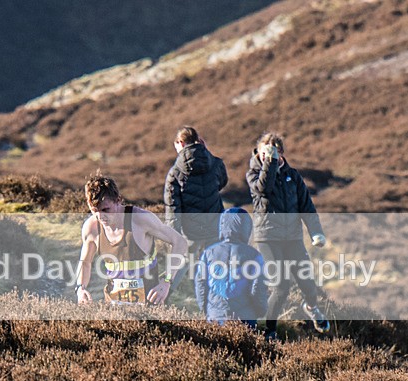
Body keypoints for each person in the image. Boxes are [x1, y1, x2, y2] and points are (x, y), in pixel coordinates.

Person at [246, 132, 330, 336]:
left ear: (281, 152)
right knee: (281, 286)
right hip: (267, 237)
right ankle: (269, 330)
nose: (267, 155)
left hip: (292, 237)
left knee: (308, 284)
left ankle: (311, 308)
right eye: (264, 151)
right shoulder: (254, 173)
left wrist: (316, 232)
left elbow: (306, 206)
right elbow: (263, 189)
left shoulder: (293, 175)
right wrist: (270, 164)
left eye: (273, 152)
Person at [76, 174, 188, 305]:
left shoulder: (140, 219)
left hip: (149, 302)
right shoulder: (91, 228)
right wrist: (80, 288)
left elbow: (179, 242)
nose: (101, 216)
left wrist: (167, 281)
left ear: (118, 200)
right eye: (94, 211)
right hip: (114, 305)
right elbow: (85, 262)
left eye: (106, 209)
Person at [163, 126, 228, 291]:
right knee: (215, 263)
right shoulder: (214, 162)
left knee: (182, 262)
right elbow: (222, 182)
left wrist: (173, 235)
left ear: (181, 143)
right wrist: (206, 152)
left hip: (191, 228)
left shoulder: (176, 172)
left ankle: (164, 294)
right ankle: (219, 301)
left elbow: (173, 207)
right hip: (215, 222)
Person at [195, 207, 268, 328]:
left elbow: (201, 285)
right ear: (246, 228)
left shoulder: (208, 253)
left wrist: (205, 309)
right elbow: (258, 287)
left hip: (214, 316)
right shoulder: (255, 255)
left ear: (222, 226)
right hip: (245, 318)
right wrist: (260, 311)